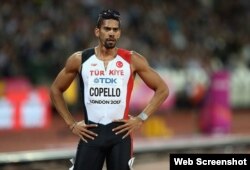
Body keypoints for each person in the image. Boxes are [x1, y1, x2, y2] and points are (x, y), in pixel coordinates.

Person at [50, 9, 169, 170]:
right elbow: (55, 90)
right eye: (107, 29)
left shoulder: (132, 59)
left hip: (120, 136)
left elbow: (162, 89)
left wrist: (140, 118)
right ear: (97, 31)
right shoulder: (80, 59)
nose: (111, 33)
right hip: (91, 135)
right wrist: (71, 124)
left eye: (115, 29)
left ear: (119, 33)